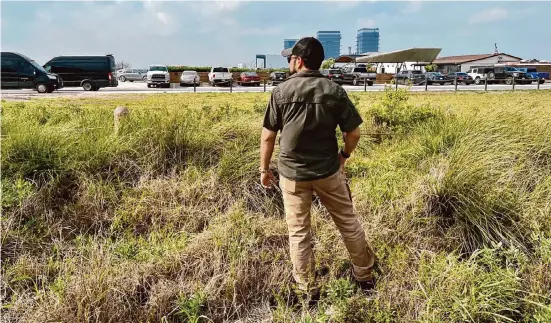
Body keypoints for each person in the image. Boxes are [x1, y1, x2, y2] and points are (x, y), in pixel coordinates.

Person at [259, 37, 376, 297]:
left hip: (292, 176)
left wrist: (264, 170)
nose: (290, 62)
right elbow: (354, 133)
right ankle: (364, 275)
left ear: (298, 61)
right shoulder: (334, 90)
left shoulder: (280, 92)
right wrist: (343, 156)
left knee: (299, 233)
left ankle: (306, 288)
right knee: (348, 223)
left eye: (290, 58)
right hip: (328, 172)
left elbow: (268, 136)